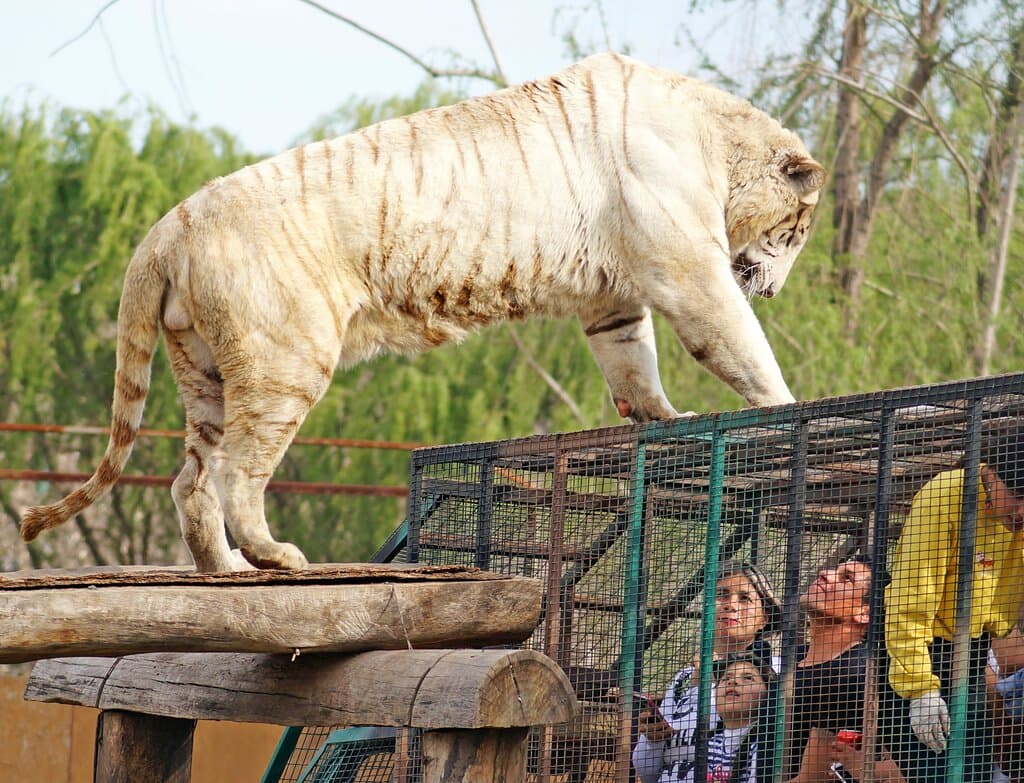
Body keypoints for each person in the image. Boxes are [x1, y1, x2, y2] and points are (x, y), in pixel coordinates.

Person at [883, 424, 1024, 783]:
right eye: (1018, 496)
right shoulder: (949, 495)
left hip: (975, 657)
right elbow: (909, 598)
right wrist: (920, 689)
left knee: (973, 768)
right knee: (928, 768)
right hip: (922, 657)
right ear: (991, 476)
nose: (1022, 511)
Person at [632, 561, 781, 782]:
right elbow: (647, 772)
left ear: (764, 618)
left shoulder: (774, 670)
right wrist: (652, 739)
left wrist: (713, 683)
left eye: (744, 598)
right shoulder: (683, 678)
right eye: (722, 595)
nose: (730, 605)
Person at [634, 652, 776, 783]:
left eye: (748, 678)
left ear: (769, 693)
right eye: (725, 678)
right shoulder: (711, 743)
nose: (732, 682)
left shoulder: (765, 742)